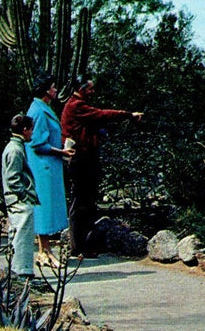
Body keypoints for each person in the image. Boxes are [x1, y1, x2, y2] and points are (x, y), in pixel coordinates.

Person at [60, 77, 143, 257]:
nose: (93, 92)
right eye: (90, 89)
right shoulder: (76, 106)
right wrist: (128, 114)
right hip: (81, 159)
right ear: (81, 89)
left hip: (85, 158)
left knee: (86, 202)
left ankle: (84, 244)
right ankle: (79, 245)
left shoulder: (76, 106)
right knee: (81, 202)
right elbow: (102, 114)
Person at [26, 75, 75, 265]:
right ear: (47, 90)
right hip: (43, 165)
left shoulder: (42, 108)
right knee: (44, 208)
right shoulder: (38, 111)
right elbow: (37, 143)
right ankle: (44, 251)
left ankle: (44, 250)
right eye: (53, 87)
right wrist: (61, 150)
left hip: (48, 165)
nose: (56, 90)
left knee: (46, 207)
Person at [2, 114, 40, 280]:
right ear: (25, 130)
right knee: (22, 234)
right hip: (18, 199)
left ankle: (19, 269)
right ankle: (21, 270)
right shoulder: (15, 150)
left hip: (15, 198)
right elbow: (12, 177)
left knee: (18, 233)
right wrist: (23, 195)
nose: (32, 133)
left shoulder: (15, 147)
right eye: (31, 129)